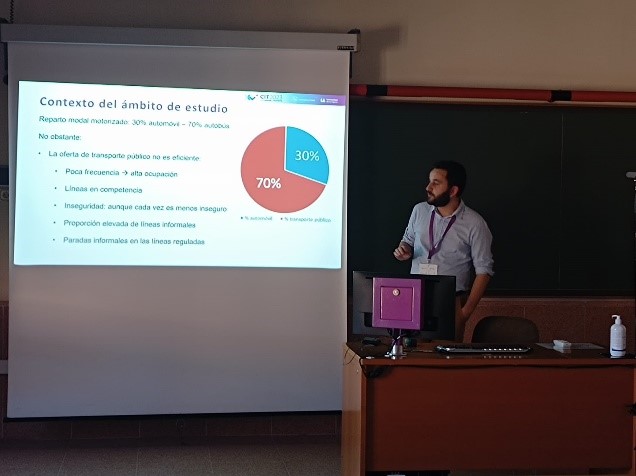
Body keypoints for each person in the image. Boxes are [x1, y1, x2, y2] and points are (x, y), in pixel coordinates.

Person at [394, 160, 494, 341]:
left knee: (445, 355)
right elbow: (407, 240)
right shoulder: (419, 210)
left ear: (453, 190)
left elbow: (484, 271)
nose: (428, 187)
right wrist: (404, 250)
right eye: (429, 181)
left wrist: (465, 312)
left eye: (436, 183)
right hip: (414, 297)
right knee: (411, 353)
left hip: (449, 301)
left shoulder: (475, 223)